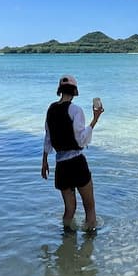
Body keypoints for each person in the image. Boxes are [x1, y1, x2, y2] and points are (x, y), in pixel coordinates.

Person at [41, 74, 104, 231]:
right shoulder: (76, 110)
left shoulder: (51, 109)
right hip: (77, 164)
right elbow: (81, 140)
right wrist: (95, 119)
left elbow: (48, 137)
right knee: (89, 207)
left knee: (69, 210)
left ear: (60, 90)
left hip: (61, 165)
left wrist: (44, 162)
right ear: (74, 90)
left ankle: (67, 241)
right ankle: (89, 241)